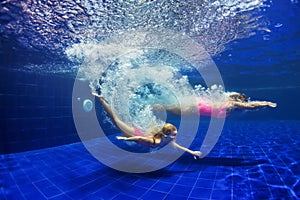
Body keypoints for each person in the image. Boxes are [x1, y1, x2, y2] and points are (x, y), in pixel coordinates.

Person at [92, 93, 202, 159]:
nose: (175, 137)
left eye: (175, 135)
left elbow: (178, 146)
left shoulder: (167, 139)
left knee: (121, 121)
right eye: (174, 135)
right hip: (134, 134)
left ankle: (150, 110)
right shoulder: (155, 141)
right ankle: (101, 99)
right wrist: (126, 138)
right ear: (166, 135)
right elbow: (139, 138)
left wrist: (192, 152)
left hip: (141, 135)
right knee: (116, 120)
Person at [153, 93, 277, 118]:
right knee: (168, 108)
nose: (244, 105)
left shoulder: (229, 105)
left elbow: (250, 105)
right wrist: (265, 103)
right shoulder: (232, 103)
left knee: (168, 108)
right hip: (194, 107)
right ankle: (152, 105)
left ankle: (153, 105)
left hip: (196, 107)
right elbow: (251, 106)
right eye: (243, 102)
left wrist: (263, 103)